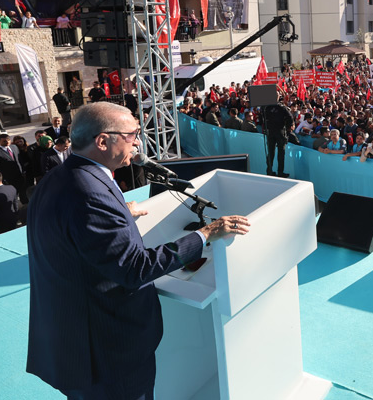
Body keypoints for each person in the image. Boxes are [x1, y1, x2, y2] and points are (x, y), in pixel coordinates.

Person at [26, 102, 250, 398]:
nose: (139, 142)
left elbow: (72, 232)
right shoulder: (90, 195)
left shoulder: (61, 178)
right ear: (103, 141)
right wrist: (206, 234)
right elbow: (135, 269)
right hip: (106, 352)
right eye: (132, 134)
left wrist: (120, 213)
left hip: (73, 340)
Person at [265, 99, 294, 177]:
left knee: (271, 152)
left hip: (270, 132)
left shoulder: (266, 107)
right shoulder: (281, 107)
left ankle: (269, 170)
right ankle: (280, 172)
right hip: (280, 131)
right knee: (281, 152)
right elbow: (290, 118)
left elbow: (262, 118)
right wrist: (288, 129)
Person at [0, 133, 26, 204]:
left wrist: (23, 170)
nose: (7, 142)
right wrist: (3, 179)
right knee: (13, 195)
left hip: (20, 175)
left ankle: (25, 206)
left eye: (8, 140)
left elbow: (19, 160)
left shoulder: (14, 147)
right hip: (9, 179)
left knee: (23, 193)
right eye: (4, 141)